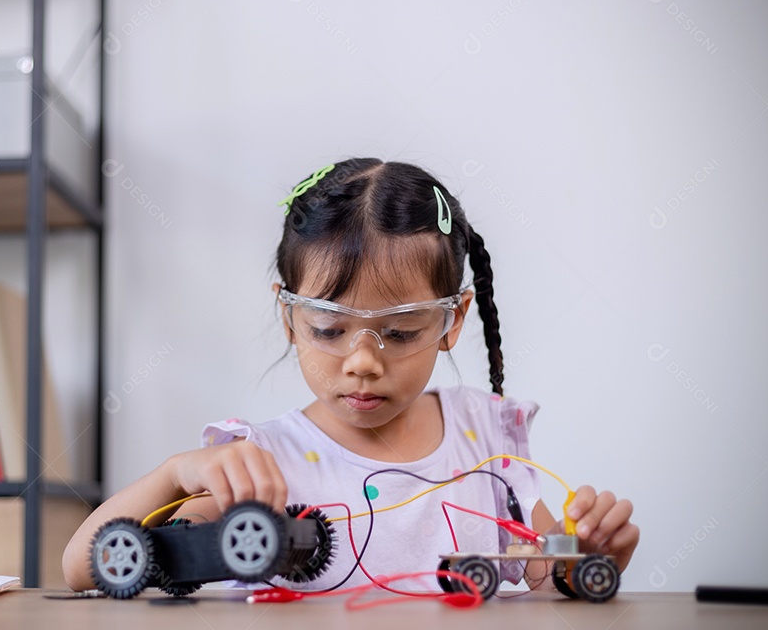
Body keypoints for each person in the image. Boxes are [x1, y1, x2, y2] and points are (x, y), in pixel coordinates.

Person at [63, 158, 639, 593]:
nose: (362, 361)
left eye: (402, 331)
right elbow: (81, 567)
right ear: (290, 316)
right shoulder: (259, 464)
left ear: (451, 320)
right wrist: (175, 473)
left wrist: (586, 558)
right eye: (330, 329)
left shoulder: (484, 441)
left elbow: (546, 581)